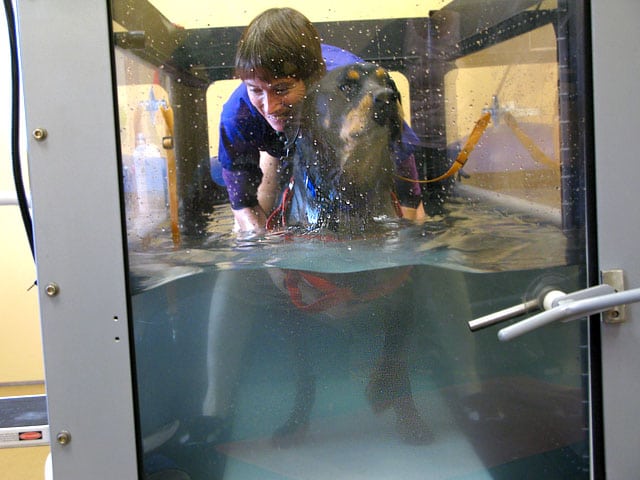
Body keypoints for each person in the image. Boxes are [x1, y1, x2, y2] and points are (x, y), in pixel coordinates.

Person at [217, 7, 423, 233]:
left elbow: (407, 185)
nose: (269, 106)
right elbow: (243, 204)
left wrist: (406, 233)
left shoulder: (348, 89)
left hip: (333, 141)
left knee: (406, 223)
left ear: (313, 81)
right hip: (274, 146)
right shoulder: (238, 115)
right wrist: (265, 245)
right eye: (256, 90)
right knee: (253, 230)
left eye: (282, 89)